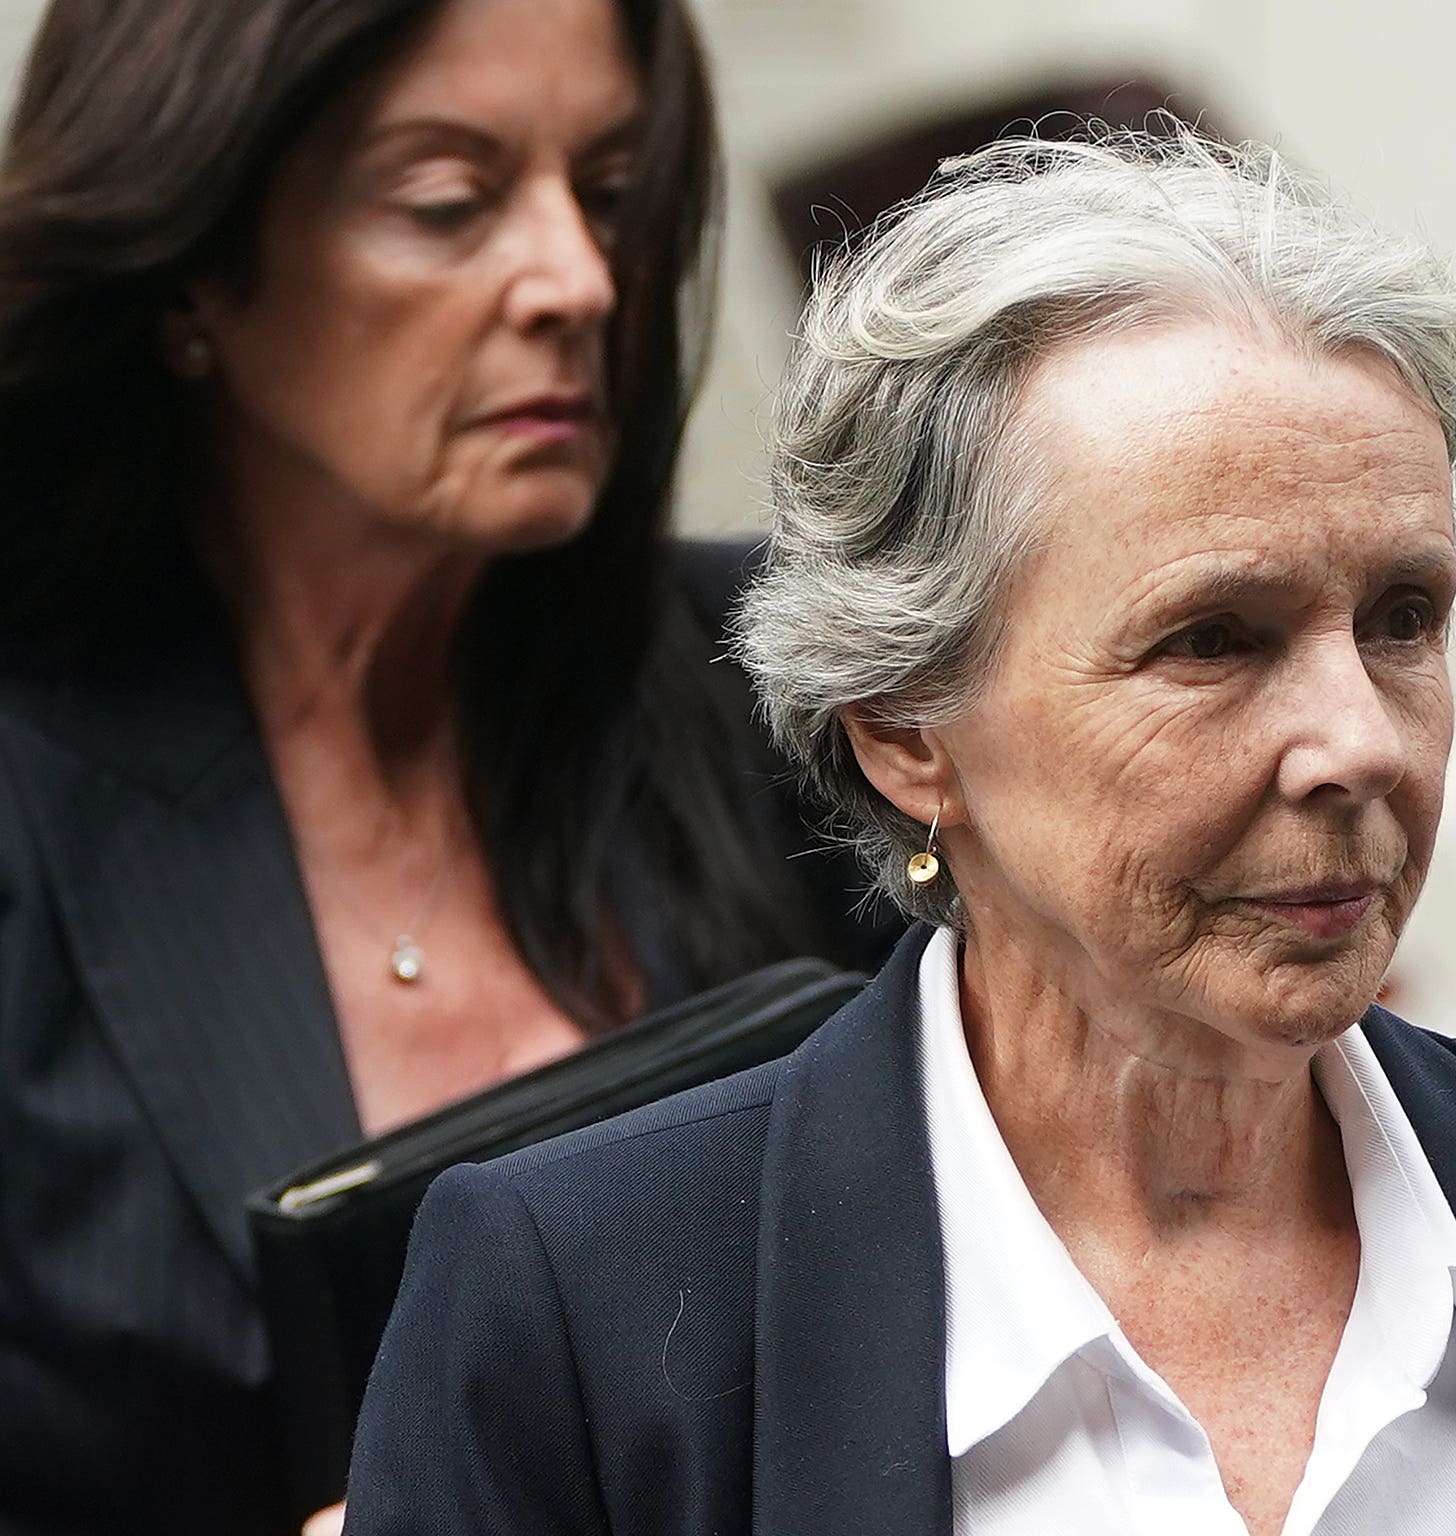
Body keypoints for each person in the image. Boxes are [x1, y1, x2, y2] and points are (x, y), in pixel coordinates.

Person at [345, 128, 1456, 1536]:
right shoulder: (584, 1299)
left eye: (1404, 619)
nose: (1361, 741)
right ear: (908, 730)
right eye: (1211, 641)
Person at [0, 1, 899, 1532]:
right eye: (448, 204)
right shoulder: (32, 783)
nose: (576, 279)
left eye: (610, 195)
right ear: (199, 266)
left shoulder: (795, 689)